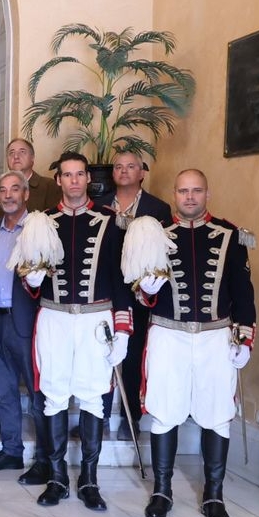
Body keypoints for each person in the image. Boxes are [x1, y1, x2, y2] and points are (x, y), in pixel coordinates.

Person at [136, 169, 256, 517]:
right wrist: (149, 287)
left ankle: (214, 495)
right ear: (174, 193)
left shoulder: (228, 235)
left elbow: (243, 291)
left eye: (197, 191)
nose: (190, 197)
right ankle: (162, 491)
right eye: (183, 191)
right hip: (168, 333)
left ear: (207, 193)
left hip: (214, 335)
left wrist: (245, 337)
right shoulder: (156, 235)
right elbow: (142, 296)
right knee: (163, 410)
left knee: (217, 412)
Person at [26, 152, 132, 510]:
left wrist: (123, 329)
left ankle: (89, 479)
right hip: (54, 317)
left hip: (95, 318)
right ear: (58, 180)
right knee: (54, 394)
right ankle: (57, 478)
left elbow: (120, 280)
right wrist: (32, 280)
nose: (73, 181)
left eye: (79, 175)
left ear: (88, 179)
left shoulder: (110, 221)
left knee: (92, 396)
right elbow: (30, 283)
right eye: (67, 175)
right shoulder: (44, 222)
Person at [0, 172, 49, 484]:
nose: (8, 195)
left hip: (27, 323)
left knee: (37, 392)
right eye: (2, 190)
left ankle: (45, 459)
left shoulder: (39, 228)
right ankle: (12, 450)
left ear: (25, 194)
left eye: (14, 189)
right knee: (4, 391)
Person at [97, 150, 172, 439]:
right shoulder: (101, 206)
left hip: (140, 296)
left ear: (142, 172)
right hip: (105, 292)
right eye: (118, 167)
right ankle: (98, 415)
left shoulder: (158, 209)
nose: (124, 171)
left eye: (131, 166)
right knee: (103, 356)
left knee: (132, 356)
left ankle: (132, 418)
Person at [0, 138, 62, 225]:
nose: (16, 156)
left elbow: (57, 221)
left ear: (32, 158)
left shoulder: (49, 186)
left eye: (22, 152)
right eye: (11, 153)